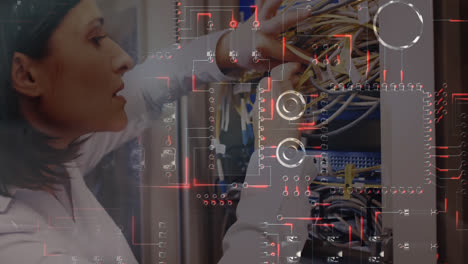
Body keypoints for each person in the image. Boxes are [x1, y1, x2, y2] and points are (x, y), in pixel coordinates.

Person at [0, 0, 315, 263]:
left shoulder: (39, 156)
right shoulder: (18, 249)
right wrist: (277, 156)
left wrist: (229, 48)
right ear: (26, 74)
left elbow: (147, 87)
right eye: (95, 38)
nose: (123, 58)